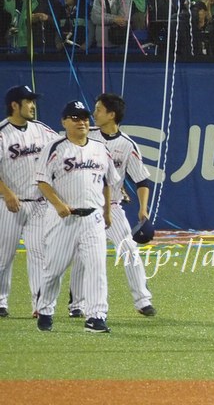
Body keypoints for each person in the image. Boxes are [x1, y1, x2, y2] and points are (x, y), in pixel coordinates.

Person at [67, 94, 156, 319]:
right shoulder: (87, 136)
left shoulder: (127, 145)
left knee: (129, 250)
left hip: (113, 207)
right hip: (84, 207)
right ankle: (77, 304)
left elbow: (142, 180)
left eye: (98, 109)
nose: (93, 114)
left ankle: (143, 300)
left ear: (111, 115)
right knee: (81, 256)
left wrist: (143, 209)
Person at [35, 100, 120, 333]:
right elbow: (42, 181)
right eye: (74, 118)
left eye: (84, 117)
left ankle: (96, 317)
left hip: (92, 219)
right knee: (54, 269)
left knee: (97, 268)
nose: (81, 121)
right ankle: (45, 308)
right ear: (64, 122)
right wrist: (58, 204)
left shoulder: (100, 148)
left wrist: (107, 212)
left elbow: (106, 182)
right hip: (64, 218)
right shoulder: (54, 148)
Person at [0, 86, 59, 318]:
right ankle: (1, 301)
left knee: (39, 254)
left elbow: (63, 146)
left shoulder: (42, 131)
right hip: (7, 204)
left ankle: (40, 304)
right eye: (29, 101)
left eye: (33, 101)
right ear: (15, 105)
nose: (33, 105)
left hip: (37, 204)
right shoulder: (3, 133)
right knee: (4, 256)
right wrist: (6, 193)